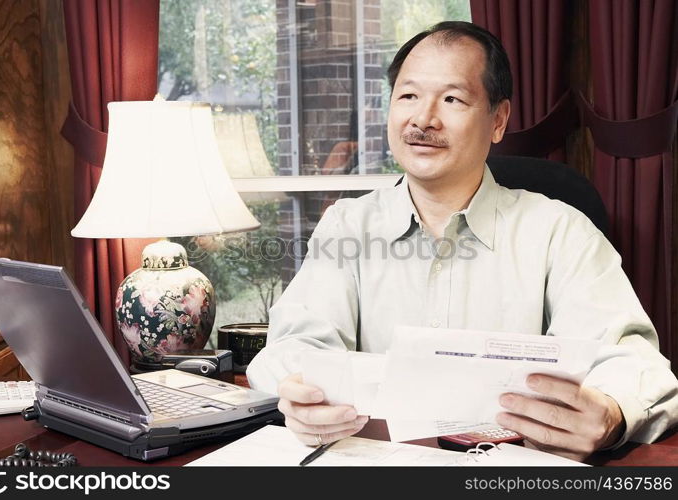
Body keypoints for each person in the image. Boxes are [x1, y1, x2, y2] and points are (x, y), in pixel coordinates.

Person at [246, 21, 678, 461]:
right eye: (408, 96)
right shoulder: (347, 225)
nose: (423, 119)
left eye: (452, 99)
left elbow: (633, 362)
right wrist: (297, 392)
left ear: (498, 121)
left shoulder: (560, 232)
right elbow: (293, 347)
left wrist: (608, 413)